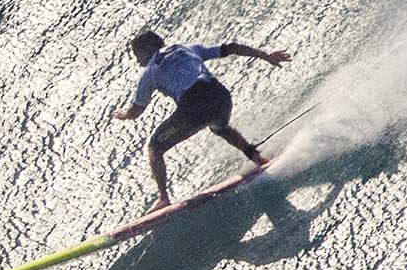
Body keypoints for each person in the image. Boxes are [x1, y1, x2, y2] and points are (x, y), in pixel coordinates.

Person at [112, 27, 290, 203]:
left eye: (137, 55)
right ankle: (256, 157)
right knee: (220, 128)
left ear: (146, 50)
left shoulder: (150, 72)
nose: (138, 61)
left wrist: (125, 114)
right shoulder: (187, 49)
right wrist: (266, 55)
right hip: (220, 96)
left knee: (154, 148)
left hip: (194, 104)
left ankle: (163, 198)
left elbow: (136, 111)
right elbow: (231, 48)